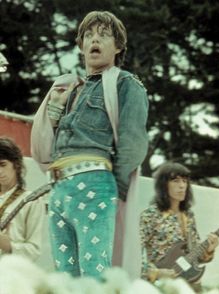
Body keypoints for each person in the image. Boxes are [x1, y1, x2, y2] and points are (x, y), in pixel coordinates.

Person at [31, 11, 148, 278]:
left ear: (118, 47)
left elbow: (133, 142)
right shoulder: (68, 90)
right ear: (81, 45)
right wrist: (54, 112)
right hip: (59, 187)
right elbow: (47, 142)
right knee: (64, 277)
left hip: (95, 183)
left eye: (104, 35)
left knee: (95, 271)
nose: (94, 40)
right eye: (88, 35)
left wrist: (112, 187)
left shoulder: (126, 84)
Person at [140, 162, 219, 291]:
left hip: (190, 285)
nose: (182, 186)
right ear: (163, 185)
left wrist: (209, 250)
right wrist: (156, 273)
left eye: (184, 181)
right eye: (176, 181)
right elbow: (133, 255)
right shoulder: (150, 215)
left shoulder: (188, 215)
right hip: (161, 286)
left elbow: (195, 256)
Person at [0, 137, 44, 261]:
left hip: (10, 273)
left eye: (3, 164)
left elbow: (34, 251)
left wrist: (7, 245)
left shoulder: (30, 201)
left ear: (16, 165)